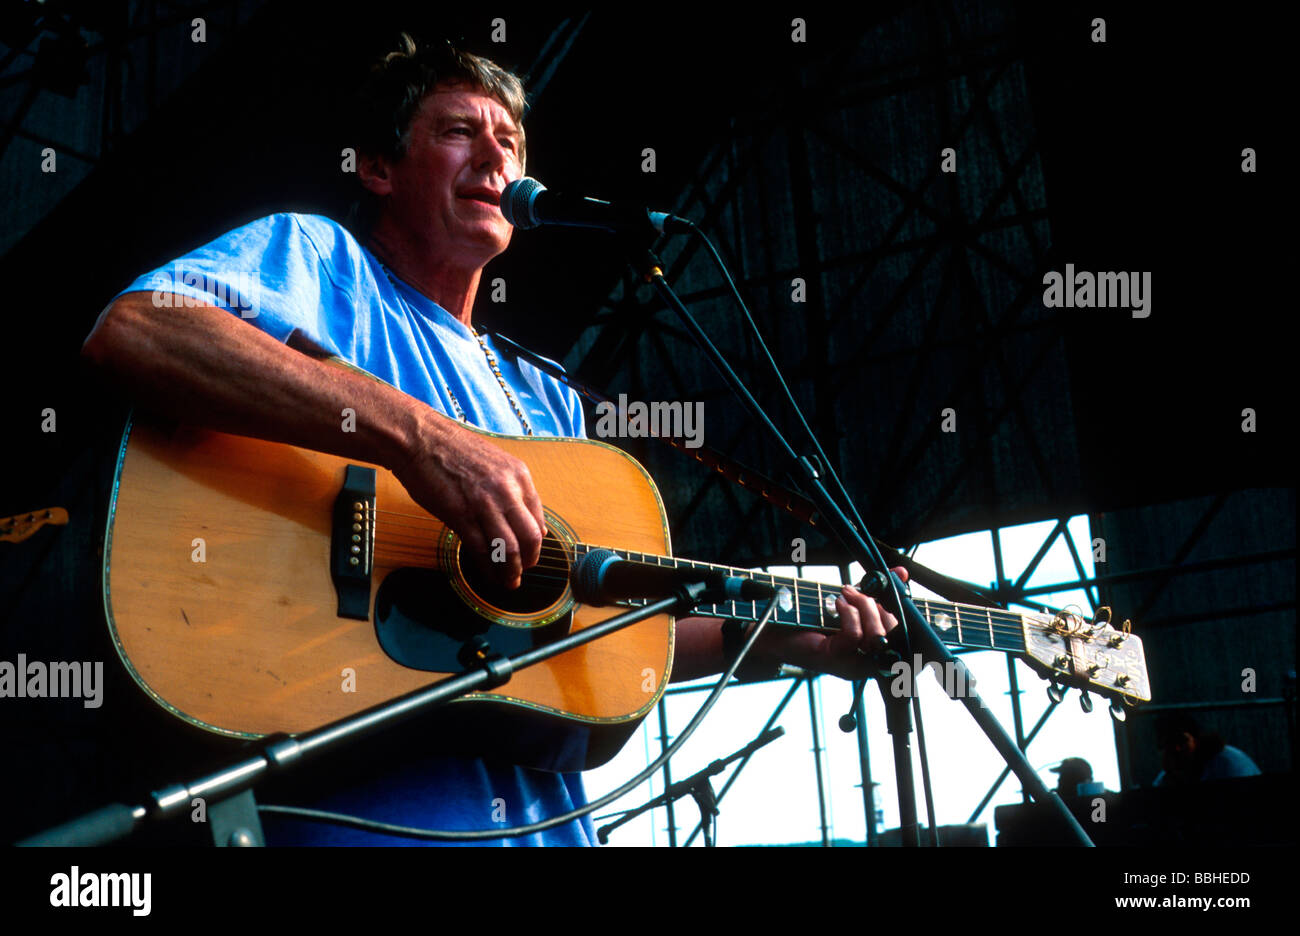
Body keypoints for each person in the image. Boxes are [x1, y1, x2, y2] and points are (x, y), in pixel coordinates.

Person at [81, 35, 905, 845]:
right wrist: (417, 440)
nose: (493, 157)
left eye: (508, 141)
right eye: (456, 132)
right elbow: (139, 332)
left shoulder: (549, 398)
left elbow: (602, 624)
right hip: (360, 823)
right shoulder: (321, 262)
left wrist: (791, 638)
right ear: (379, 169)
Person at [1153, 712, 1261, 786]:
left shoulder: (1230, 764)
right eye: (1168, 743)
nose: (1177, 748)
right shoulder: (1166, 778)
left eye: (1181, 740)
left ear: (1196, 740)